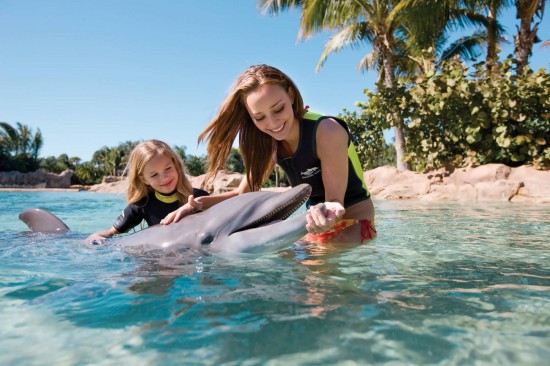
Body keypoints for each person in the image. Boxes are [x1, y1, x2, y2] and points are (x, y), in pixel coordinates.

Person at [163, 64, 376, 244]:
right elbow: (242, 195)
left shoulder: (326, 131)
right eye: (259, 117)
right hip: (315, 221)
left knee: (315, 279)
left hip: (354, 221)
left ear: (291, 95)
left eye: (278, 109)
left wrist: (325, 219)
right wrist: (196, 206)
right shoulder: (269, 144)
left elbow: (334, 202)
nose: (272, 123)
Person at [85, 139, 211, 245]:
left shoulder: (199, 198)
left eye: (168, 168)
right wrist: (95, 236)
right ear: (144, 179)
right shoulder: (142, 205)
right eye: (154, 174)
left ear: (176, 165)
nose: (164, 177)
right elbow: (111, 232)